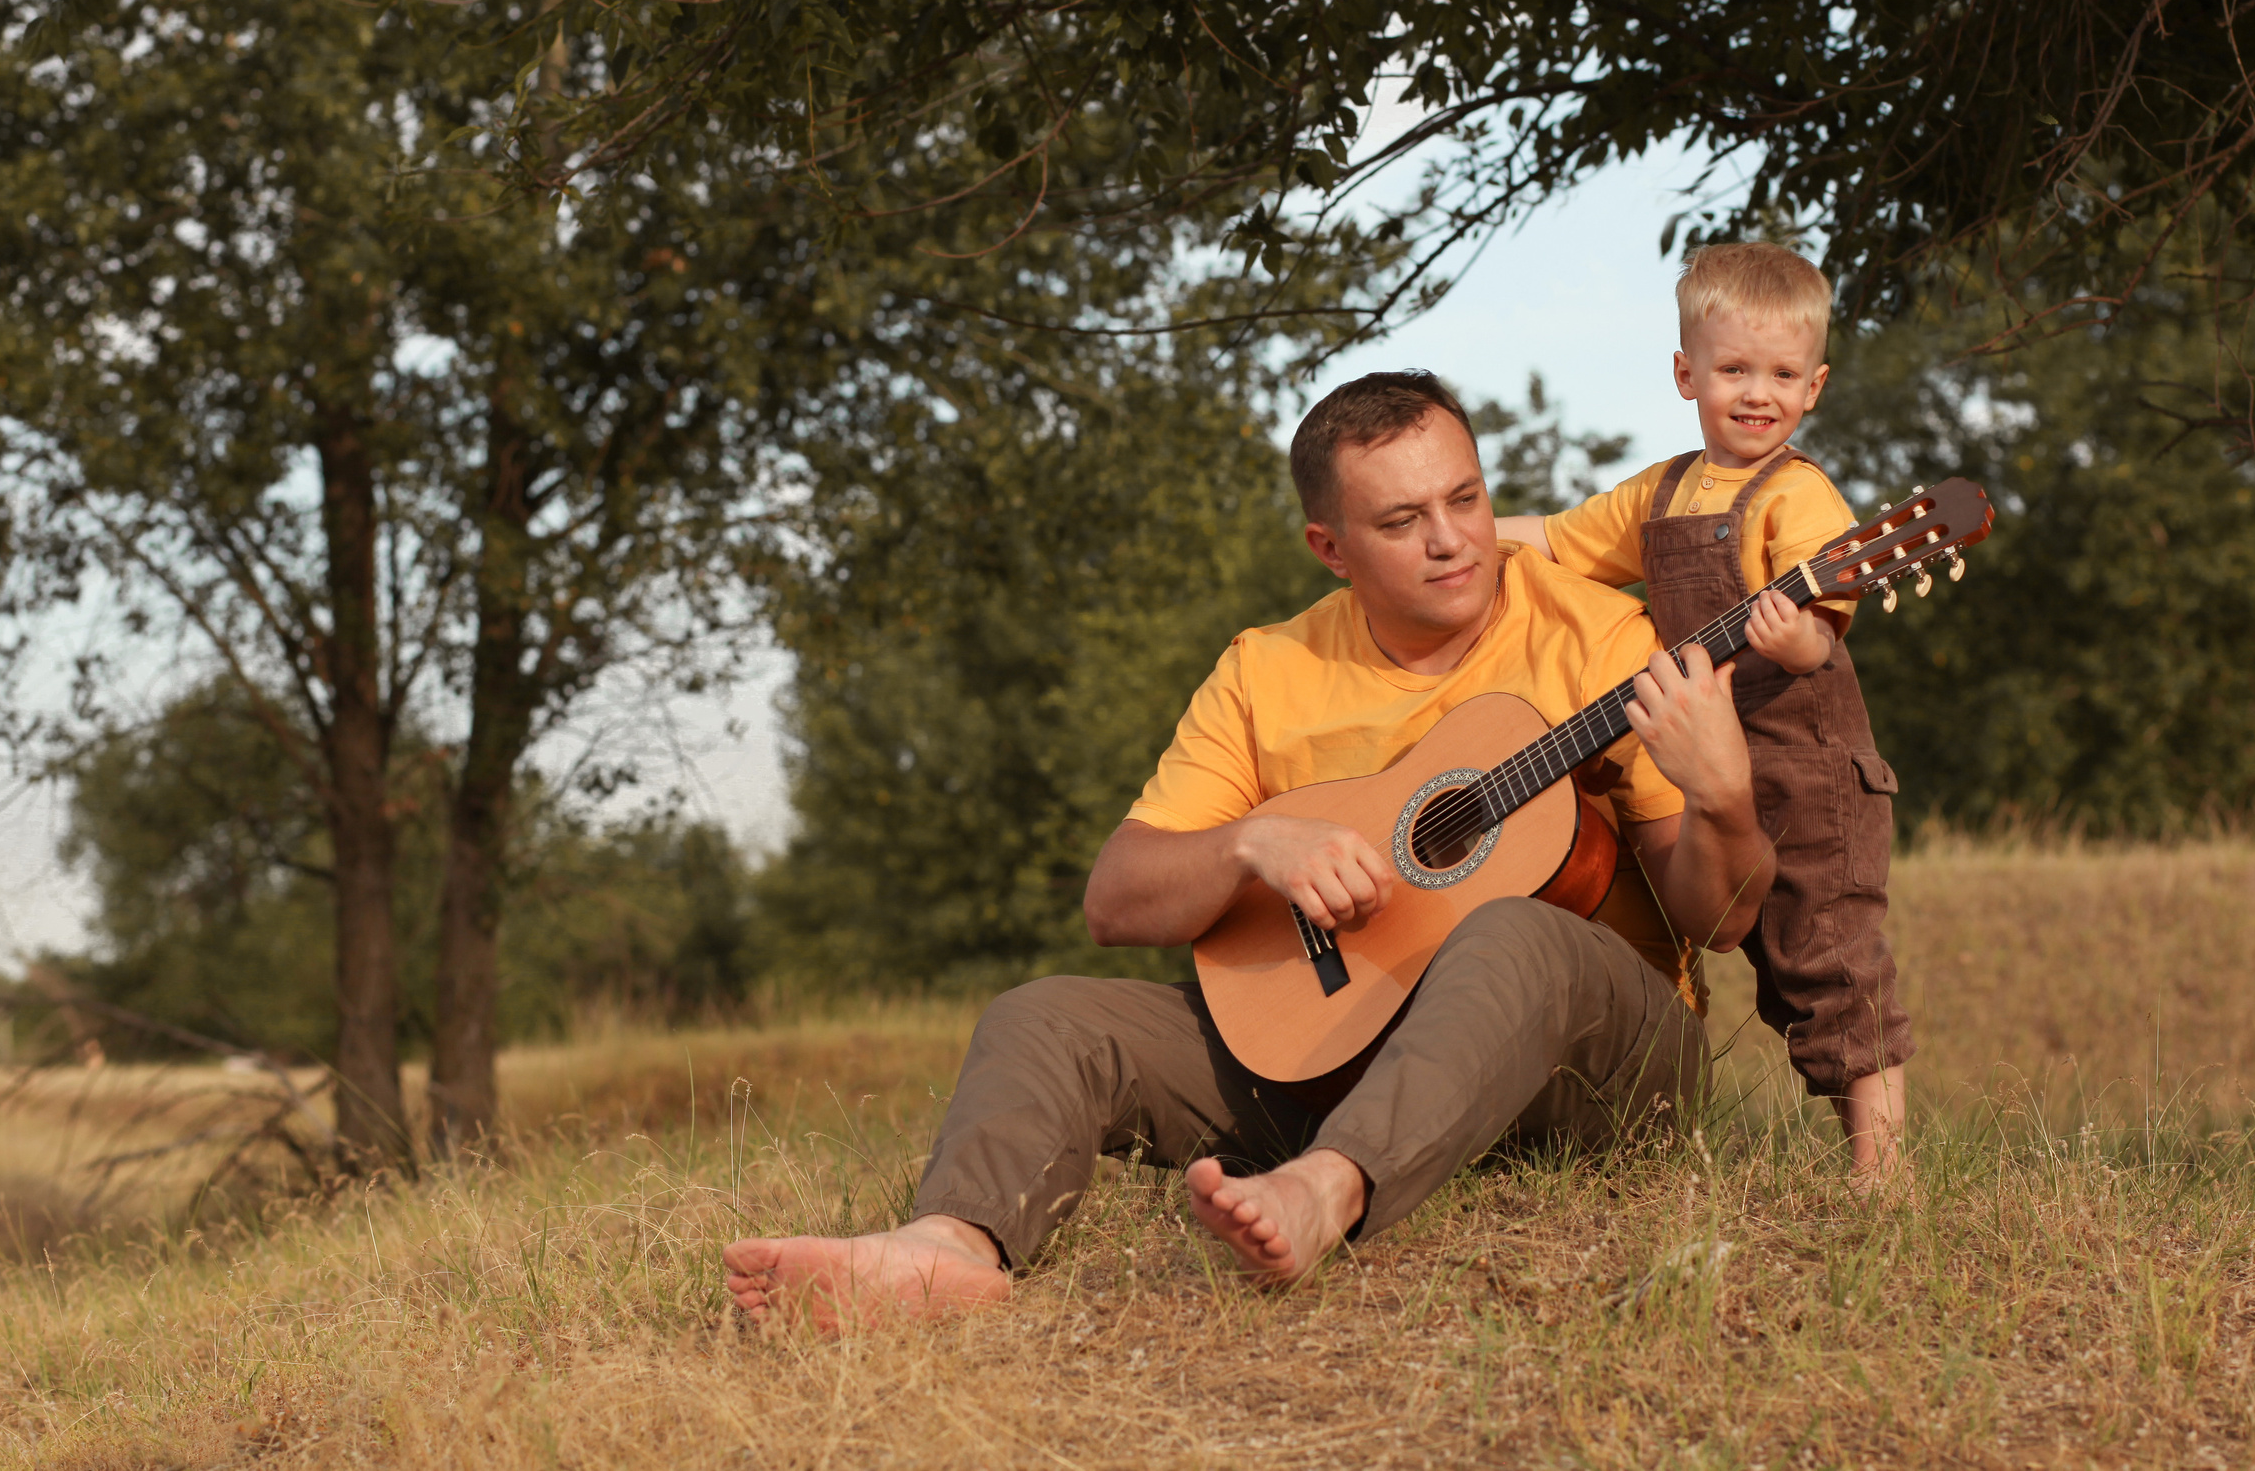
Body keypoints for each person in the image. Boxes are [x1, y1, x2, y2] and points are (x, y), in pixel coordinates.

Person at [725, 371, 1775, 1333]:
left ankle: (1326, 1191)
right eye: (1403, 521)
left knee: (1512, 932)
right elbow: (1117, 897)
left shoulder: (1598, 638)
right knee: (1042, 1015)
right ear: (1330, 547)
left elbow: (1717, 923)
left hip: (1596, 1072)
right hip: (1335, 1049)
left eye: (1465, 498)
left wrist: (1725, 801)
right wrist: (1249, 843)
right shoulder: (1266, 669)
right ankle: (947, 1250)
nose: (1454, 540)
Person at [1497, 241, 1911, 1177]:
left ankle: (1884, 1170)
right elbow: (1561, 543)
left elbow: (1823, 636)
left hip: (1805, 765)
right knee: (1757, 954)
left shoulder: (1800, 495)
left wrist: (1792, 633)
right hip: (1697, 757)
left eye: (1781, 373)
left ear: (1816, 386)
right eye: (1733, 369)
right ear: (1687, 374)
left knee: (1828, 950)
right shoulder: (1664, 490)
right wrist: (1458, 535)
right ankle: (1631, 1111)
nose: (1757, 391)